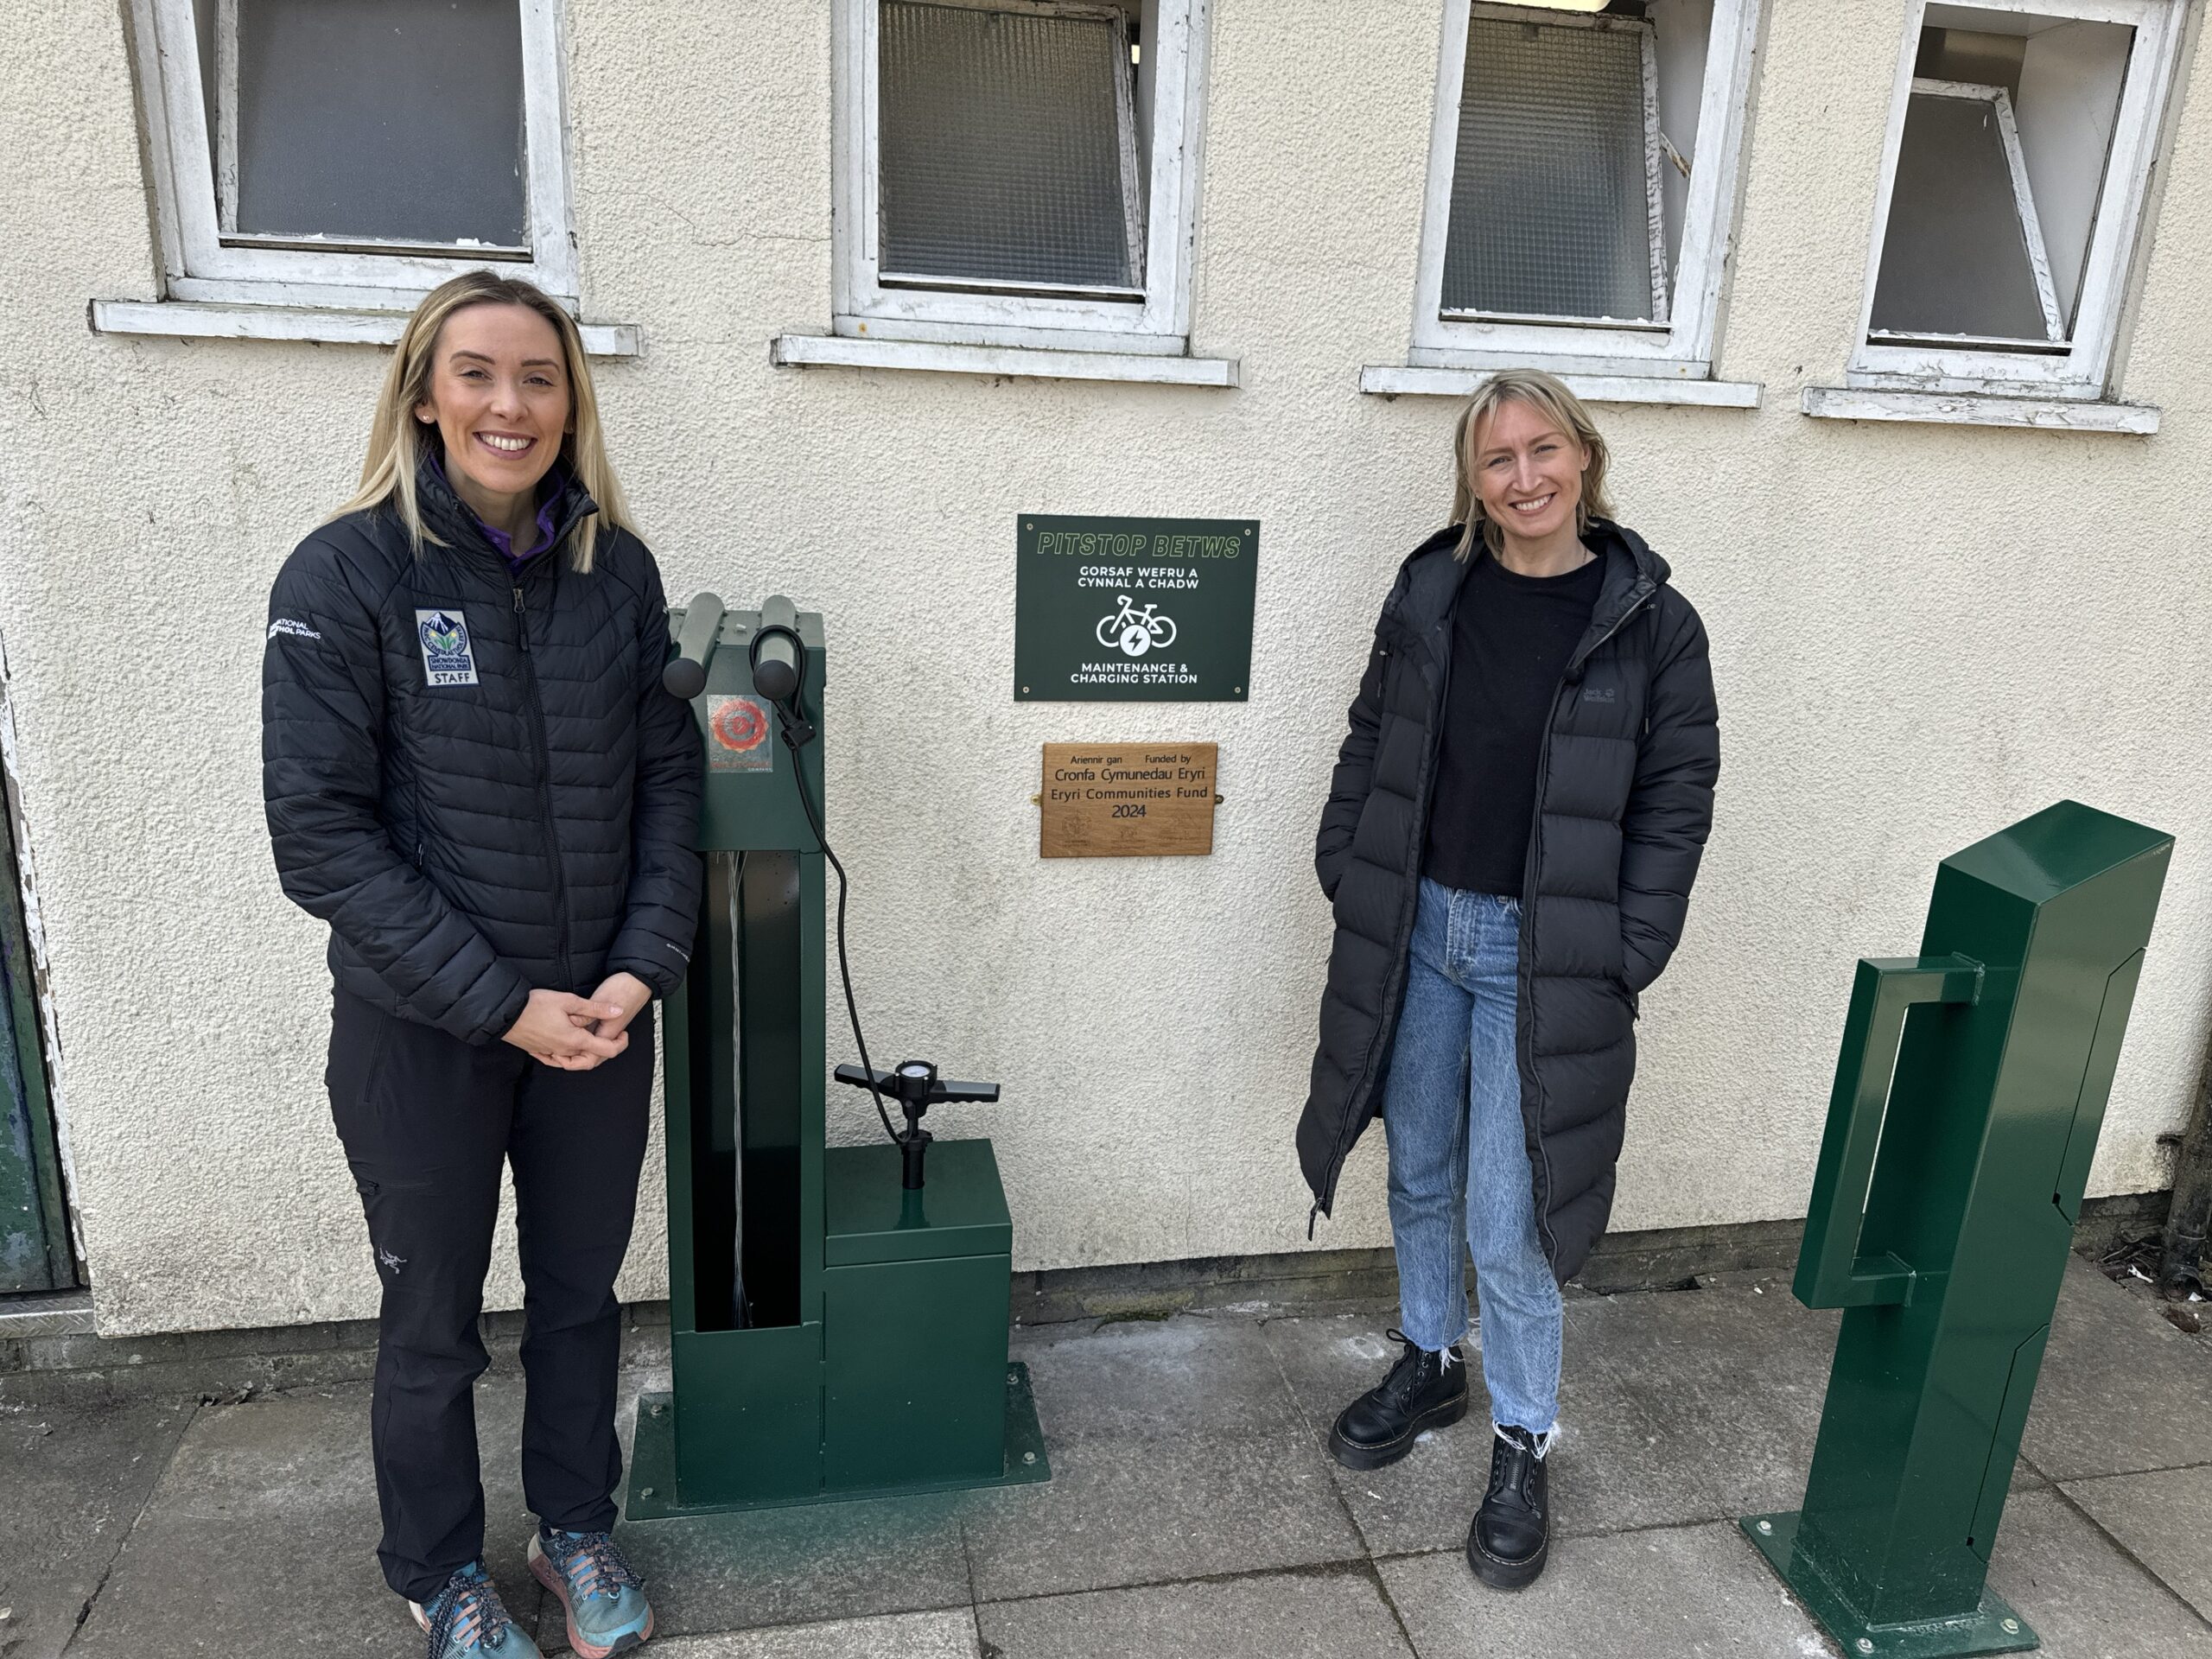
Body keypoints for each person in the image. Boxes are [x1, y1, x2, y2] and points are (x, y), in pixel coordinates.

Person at [264, 270, 702, 1658]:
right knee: (434, 1319)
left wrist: (638, 973)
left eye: (539, 377)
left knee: (581, 1299)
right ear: (424, 392)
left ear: (573, 404)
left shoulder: (613, 573)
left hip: (594, 1025)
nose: (509, 404)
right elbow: (318, 839)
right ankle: (441, 1570)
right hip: (426, 1034)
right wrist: (501, 1004)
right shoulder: (346, 575)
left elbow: (670, 790)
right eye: (477, 373)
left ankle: (573, 1531)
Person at [1297, 369, 1719, 1589]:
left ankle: (1524, 1435)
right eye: (1498, 460)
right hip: (1422, 929)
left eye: (1544, 451)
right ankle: (1431, 1360)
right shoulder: (1435, 590)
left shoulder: (1651, 621)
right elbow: (1371, 735)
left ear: (1584, 457)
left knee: (1512, 1212)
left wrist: (1627, 948)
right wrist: (1350, 865)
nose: (1524, 478)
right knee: (1418, 1167)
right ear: (1472, 480)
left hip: (1545, 954)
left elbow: (1675, 801)